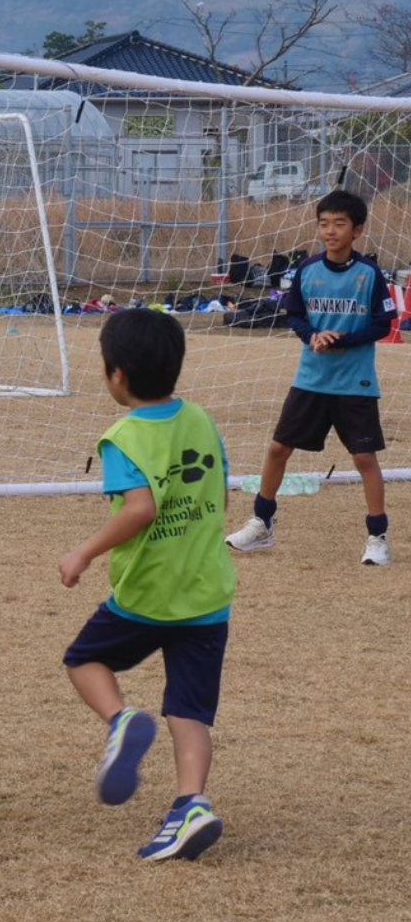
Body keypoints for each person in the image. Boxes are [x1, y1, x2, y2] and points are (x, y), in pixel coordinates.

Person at [58, 308, 235, 863]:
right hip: (206, 593)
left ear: (117, 376)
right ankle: (191, 804)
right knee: (190, 708)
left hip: (147, 593)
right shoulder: (202, 419)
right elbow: (221, 490)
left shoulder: (123, 437)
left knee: (84, 660)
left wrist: (84, 550)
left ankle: (122, 719)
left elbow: (141, 509)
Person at [226, 189, 393, 566]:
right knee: (277, 449)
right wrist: (312, 336)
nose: (330, 231)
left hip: (354, 383)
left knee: (364, 458)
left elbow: (385, 323)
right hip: (311, 379)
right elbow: (295, 315)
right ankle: (262, 523)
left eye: (340, 224)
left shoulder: (369, 275)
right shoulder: (307, 271)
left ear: (357, 230)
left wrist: (344, 340)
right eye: (324, 223)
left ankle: (377, 536)